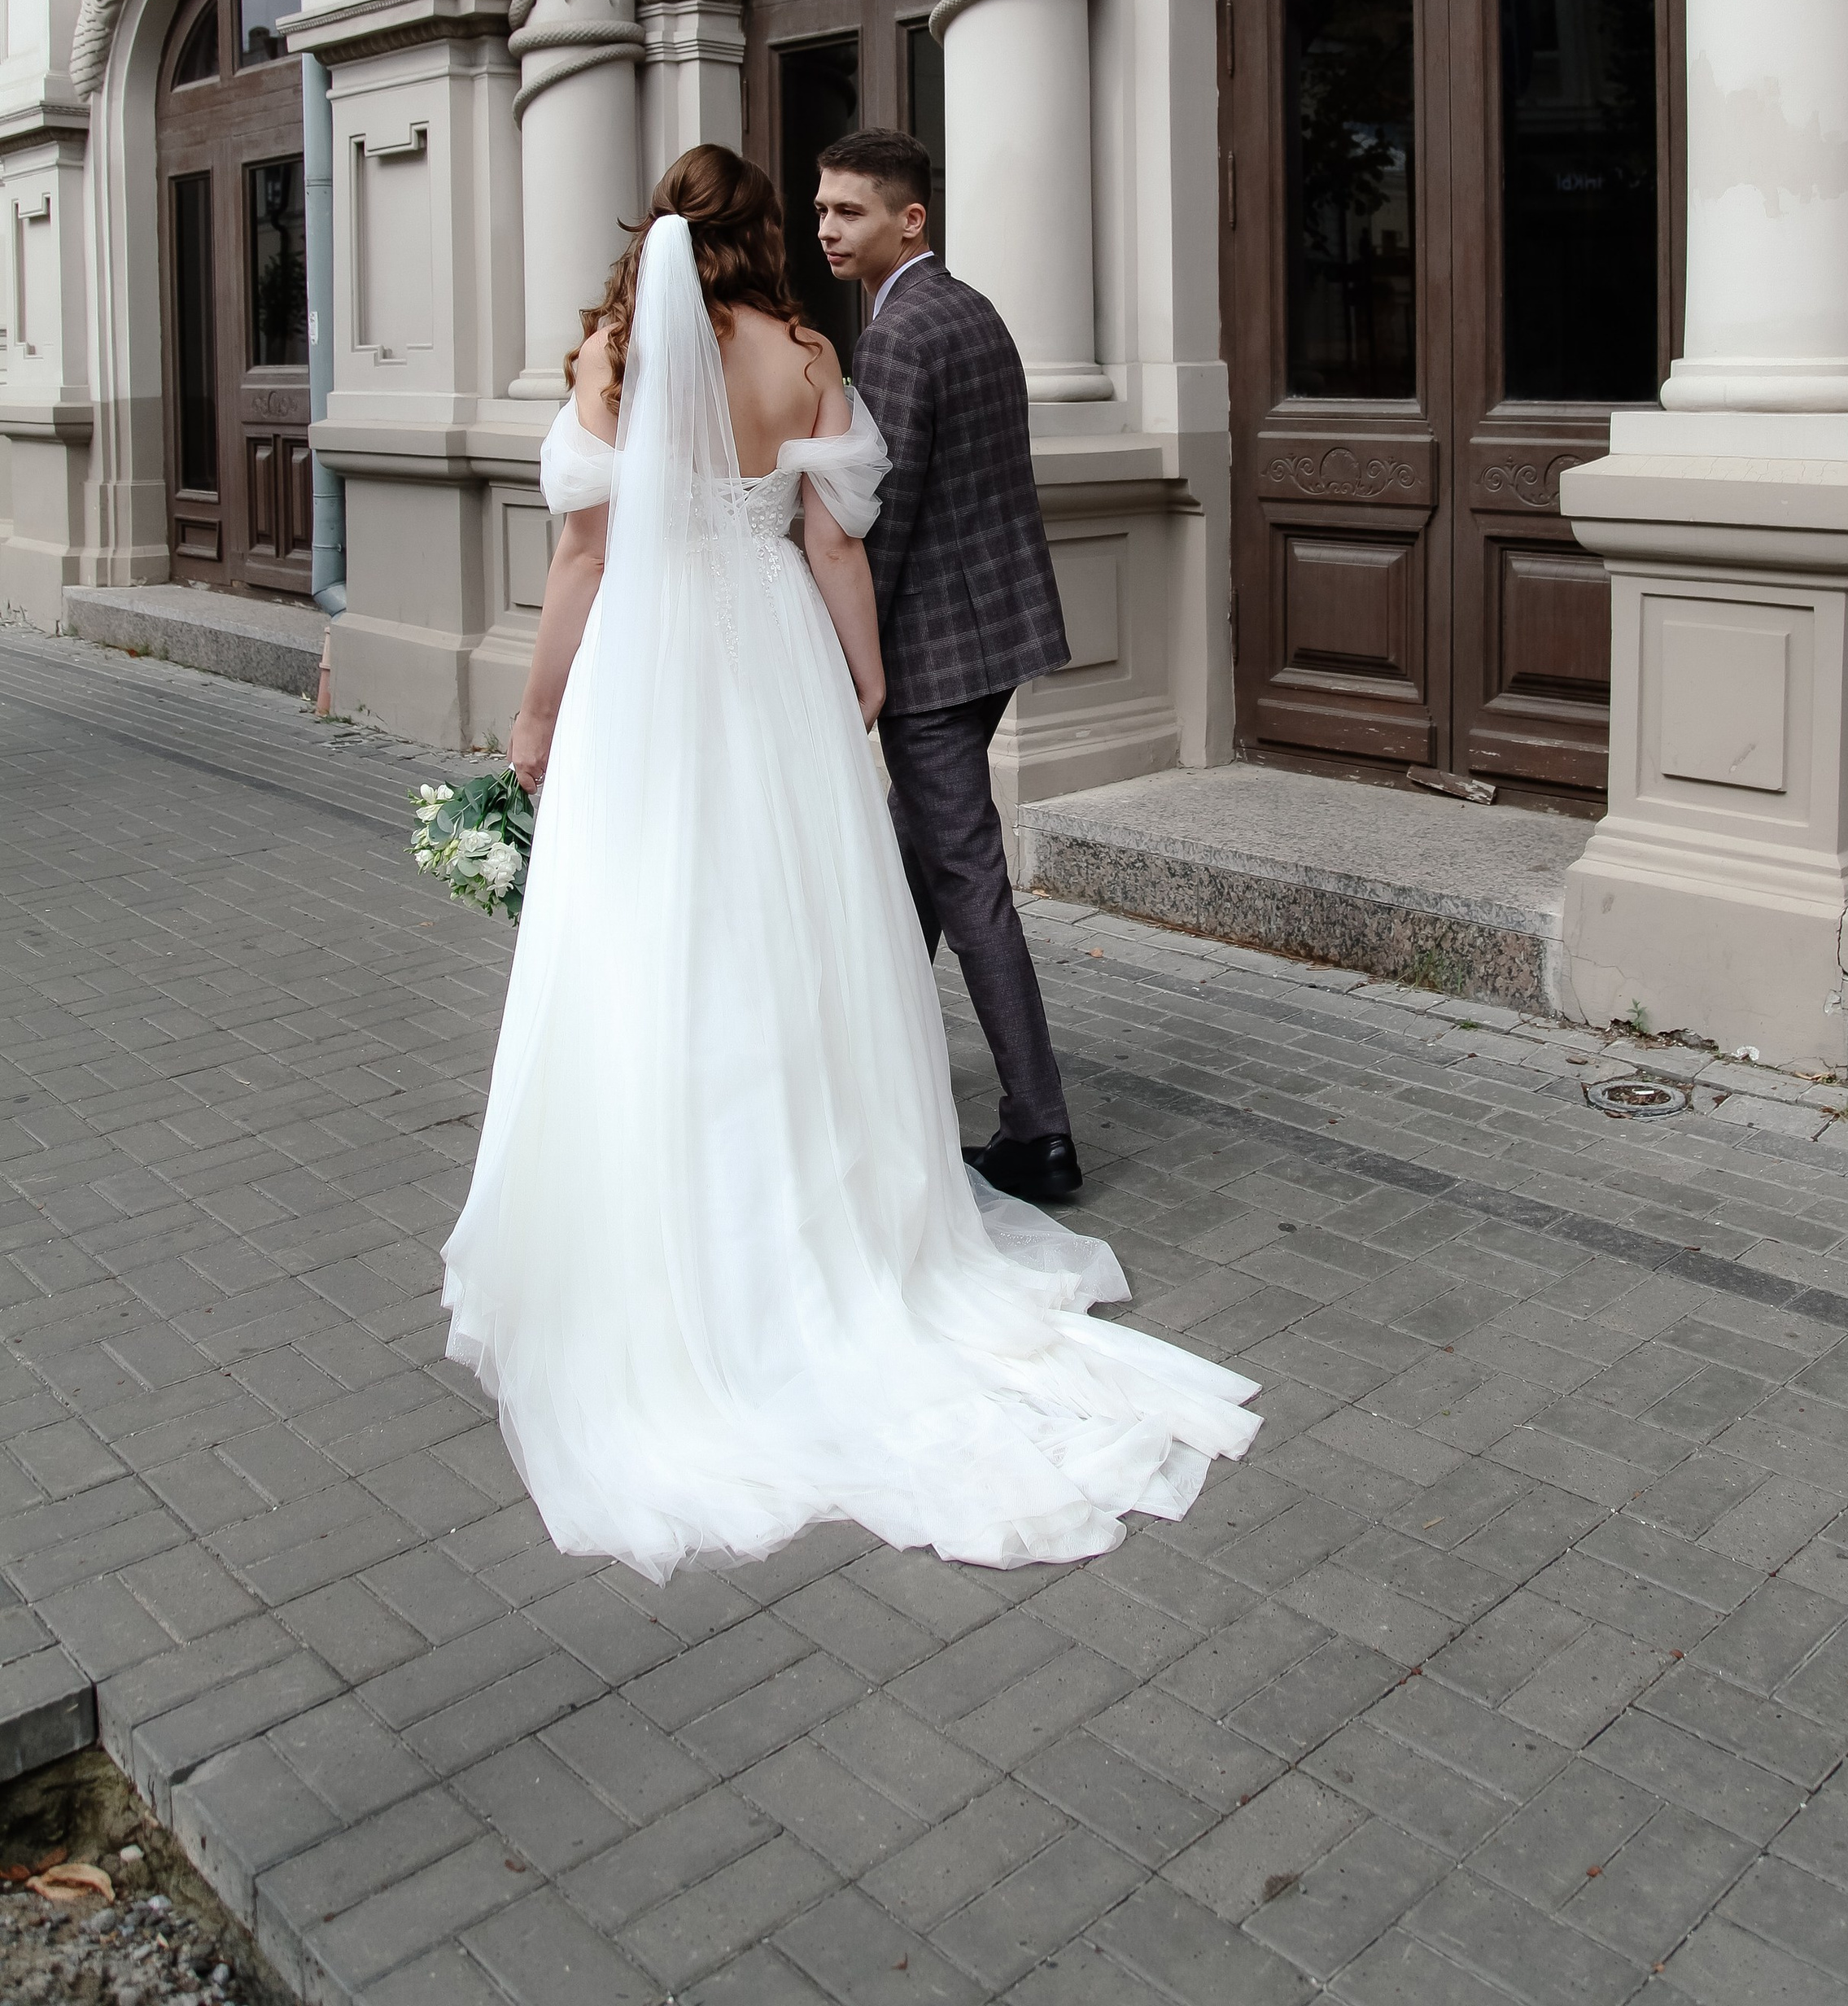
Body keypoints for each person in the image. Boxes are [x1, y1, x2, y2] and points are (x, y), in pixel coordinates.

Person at [439, 146, 1256, 1580]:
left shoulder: (608, 359)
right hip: (770, 669)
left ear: (659, 237)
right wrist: (863, 684)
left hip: (645, 672)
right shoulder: (812, 355)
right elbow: (834, 547)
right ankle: (823, 1210)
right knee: (787, 924)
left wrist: (537, 710)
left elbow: (581, 558)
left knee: (644, 927)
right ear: (763, 238)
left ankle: (655, 1223)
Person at [814, 132, 1081, 1207]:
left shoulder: (895, 336)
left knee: (964, 878)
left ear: (909, 219)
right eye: (823, 210)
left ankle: (1041, 1131)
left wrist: (851, 666)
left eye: (849, 213)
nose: (828, 228)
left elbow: (886, 517)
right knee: (910, 865)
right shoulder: (971, 309)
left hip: (930, 651)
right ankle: (872, 1072)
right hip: (996, 633)